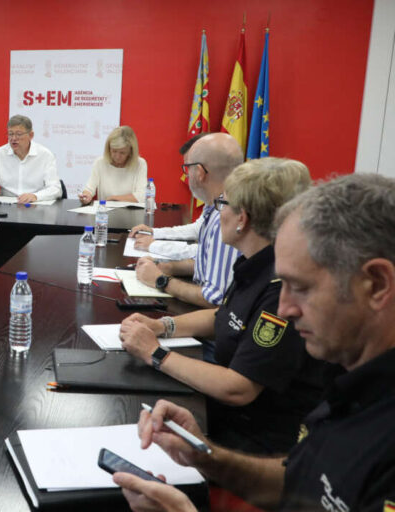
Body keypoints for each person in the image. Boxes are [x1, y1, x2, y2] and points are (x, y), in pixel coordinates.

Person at [114, 173, 395, 512]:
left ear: (377, 285)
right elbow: (302, 478)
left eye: (302, 288)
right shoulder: (353, 378)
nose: (285, 308)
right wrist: (203, 455)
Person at [120, 158, 332, 455]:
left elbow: (239, 388)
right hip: (235, 414)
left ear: (242, 218)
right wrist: (163, 326)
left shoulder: (281, 285)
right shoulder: (257, 262)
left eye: (223, 204)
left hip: (261, 442)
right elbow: (227, 316)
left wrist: (154, 353)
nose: (218, 213)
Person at [129, 133, 242, 308]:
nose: (187, 175)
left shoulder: (226, 216)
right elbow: (207, 259)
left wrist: (160, 280)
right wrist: (170, 267)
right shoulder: (216, 207)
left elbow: (215, 301)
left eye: (187, 168)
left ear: (200, 172)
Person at [0, 115, 61, 203]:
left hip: (35, 204)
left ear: (31, 135)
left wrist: (35, 196)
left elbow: (55, 188)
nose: (13, 138)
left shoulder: (45, 155)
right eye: (10, 134)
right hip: (6, 206)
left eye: (18, 134)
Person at [78, 125, 147, 204]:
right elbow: (89, 189)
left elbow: (141, 196)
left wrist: (114, 198)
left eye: (122, 153)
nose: (117, 156)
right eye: (114, 151)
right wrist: (86, 196)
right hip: (105, 211)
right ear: (108, 148)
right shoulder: (100, 163)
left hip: (131, 211)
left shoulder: (140, 164)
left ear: (130, 152)